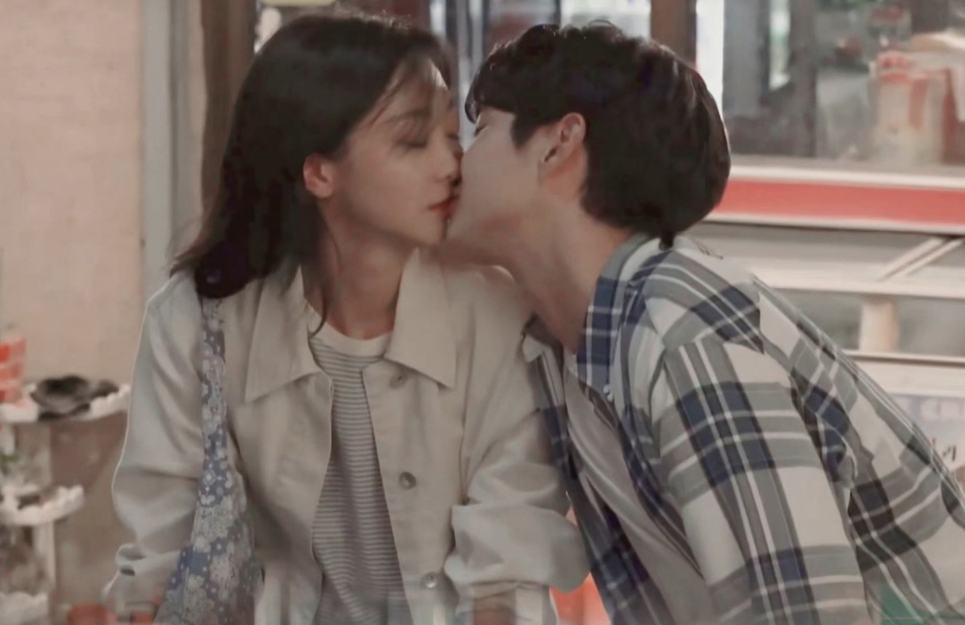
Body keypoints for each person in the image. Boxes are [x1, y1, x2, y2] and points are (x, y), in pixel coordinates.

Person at [444, 22, 965, 625]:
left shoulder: (682, 335)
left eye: (481, 130)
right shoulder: (570, 344)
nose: (456, 162)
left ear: (559, 144)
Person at [108, 13, 587, 625]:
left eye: (452, 136)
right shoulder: (198, 324)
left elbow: (507, 570)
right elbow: (165, 556)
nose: (451, 165)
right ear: (318, 172)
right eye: (413, 140)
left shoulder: (502, 319)